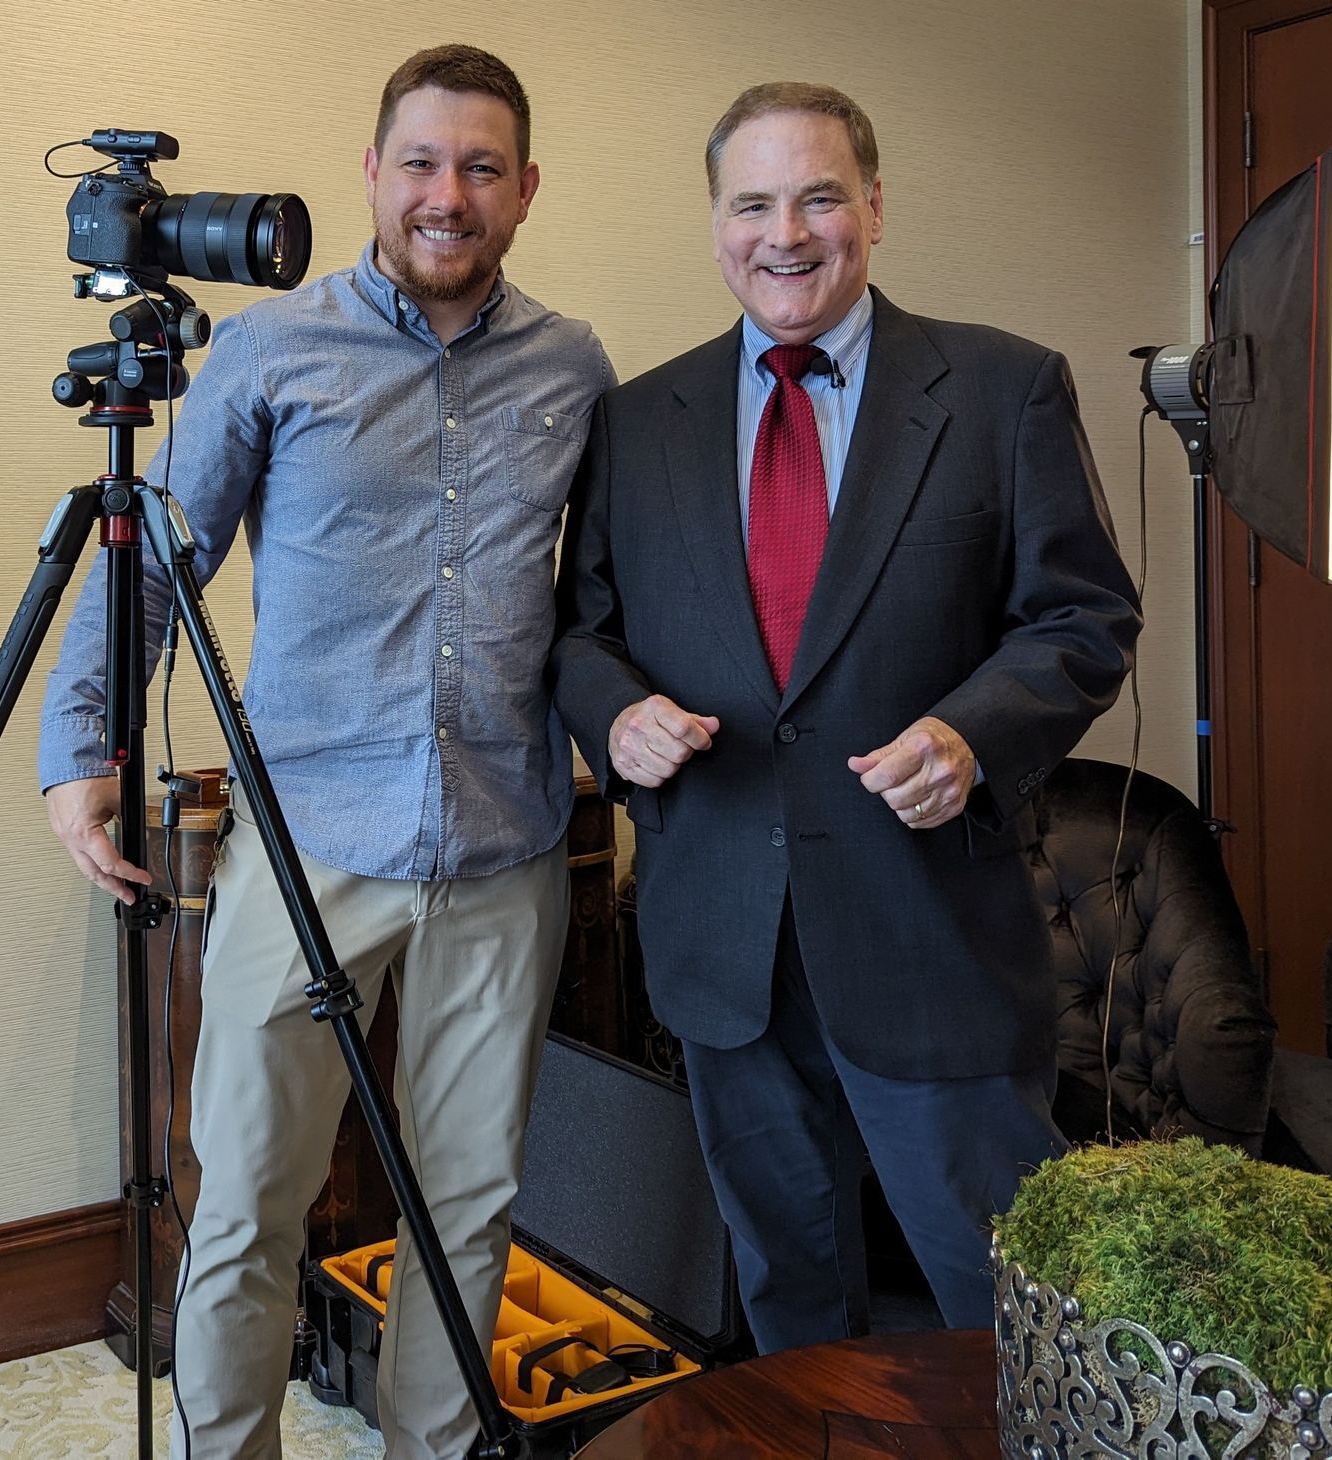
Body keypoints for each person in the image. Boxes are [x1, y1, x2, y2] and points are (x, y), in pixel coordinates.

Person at [38, 44, 613, 1459]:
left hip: (506, 845)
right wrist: (81, 745)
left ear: (526, 189)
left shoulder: (576, 368)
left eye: (482, 168)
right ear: (373, 172)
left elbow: (606, 594)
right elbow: (154, 564)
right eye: (421, 162)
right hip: (304, 849)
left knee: (467, 1206)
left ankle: (436, 1446)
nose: (447, 194)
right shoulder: (270, 351)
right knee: (243, 1203)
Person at [550, 81, 1139, 1352]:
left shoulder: (1000, 387)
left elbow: (1084, 618)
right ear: (714, 222)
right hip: (724, 949)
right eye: (752, 201)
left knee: (1017, 1319)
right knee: (788, 1306)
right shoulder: (639, 418)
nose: (787, 231)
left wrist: (976, 734)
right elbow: (579, 635)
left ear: (874, 205)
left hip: (930, 934)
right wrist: (620, 716)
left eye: (819, 195)